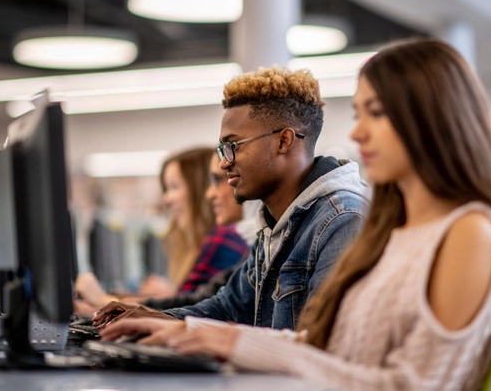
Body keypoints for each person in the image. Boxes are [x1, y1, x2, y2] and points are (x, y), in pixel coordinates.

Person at [101, 39, 491, 390]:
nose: (359, 133)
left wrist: (227, 342)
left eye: (377, 113)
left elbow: (410, 385)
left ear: (433, 119)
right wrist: (195, 334)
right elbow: (329, 351)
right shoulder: (396, 228)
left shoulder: (471, 233)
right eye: (360, 114)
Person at [94, 66, 370, 330]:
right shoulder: (274, 225)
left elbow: (321, 346)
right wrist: (155, 317)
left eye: (233, 146)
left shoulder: (342, 221)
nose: (225, 163)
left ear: (283, 141)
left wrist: (193, 331)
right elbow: (228, 307)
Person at [75, 148, 248, 311]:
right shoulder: (217, 239)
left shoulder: (222, 239)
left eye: (174, 187)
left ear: (198, 189)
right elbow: (193, 302)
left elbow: (192, 311)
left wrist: (103, 302)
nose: (167, 198)